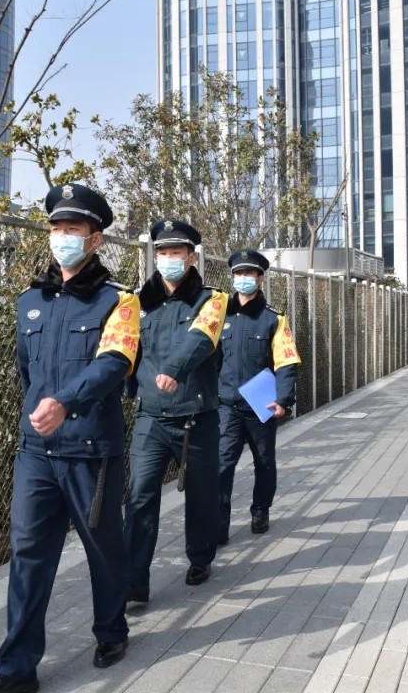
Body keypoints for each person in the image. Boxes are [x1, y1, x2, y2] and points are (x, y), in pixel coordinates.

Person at [0, 184, 140, 693]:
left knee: (103, 549)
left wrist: (65, 402)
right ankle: (16, 671)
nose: (62, 237)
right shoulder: (30, 301)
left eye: (74, 229)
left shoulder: (121, 302)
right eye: (57, 228)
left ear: (95, 239)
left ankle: (111, 631)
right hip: (36, 452)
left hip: (91, 451)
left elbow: (114, 363)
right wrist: (42, 411)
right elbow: (26, 373)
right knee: (28, 554)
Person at [124, 219, 228, 607]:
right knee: (139, 495)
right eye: (163, 252)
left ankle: (200, 557)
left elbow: (201, 339)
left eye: (176, 252)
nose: (169, 258)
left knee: (201, 495)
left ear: (191, 257)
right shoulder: (137, 302)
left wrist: (173, 369)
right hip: (151, 417)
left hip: (196, 417)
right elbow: (128, 350)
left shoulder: (212, 300)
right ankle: (134, 581)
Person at [216, 248, 300, 544]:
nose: (243, 278)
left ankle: (261, 510)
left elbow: (286, 361)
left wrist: (283, 399)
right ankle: (218, 523)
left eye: (248, 273)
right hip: (226, 405)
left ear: (260, 279)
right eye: (238, 273)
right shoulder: (220, 316)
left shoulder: (274, 319)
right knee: (222, 465)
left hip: (260, 403)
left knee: (264, 462)